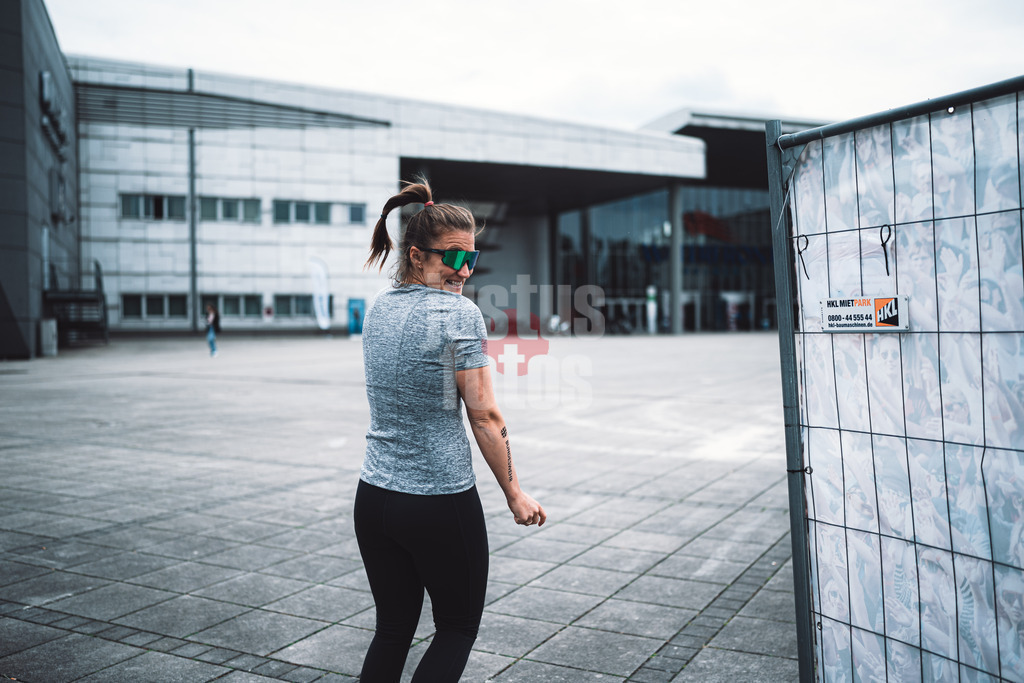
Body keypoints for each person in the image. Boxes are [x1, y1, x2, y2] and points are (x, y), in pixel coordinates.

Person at [355, 180, 546, 682]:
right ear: (417, 256)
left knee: (392, 629)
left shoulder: (378, 307)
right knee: (457, 628)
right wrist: (515, 494)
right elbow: (484, 417)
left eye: (472, 259)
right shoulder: (459, 314)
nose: (463, 271)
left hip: (374, 497)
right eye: (452, 259)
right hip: (437, 500)